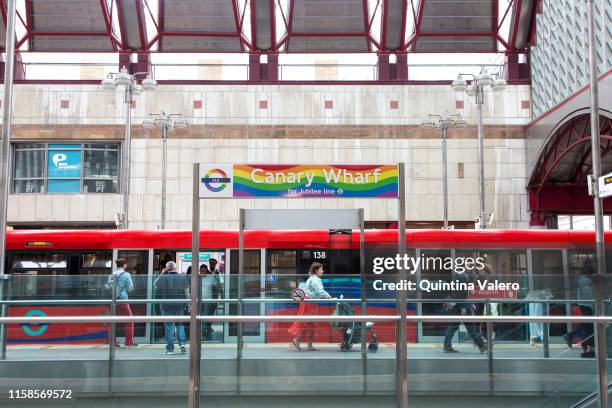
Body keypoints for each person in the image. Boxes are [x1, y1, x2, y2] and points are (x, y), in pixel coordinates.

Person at [288, 262, 333, 351]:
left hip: (310, 302)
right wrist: (330, 298)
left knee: (310, 323)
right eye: (321, 269)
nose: (322, 271)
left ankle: (309, 345)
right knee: (307, 322)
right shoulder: (314, 280)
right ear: (316, 270)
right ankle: (297, 339)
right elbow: (320, 292)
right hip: (309, 303)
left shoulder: (313, 279)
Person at [442, 267, 488, 353]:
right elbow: (460, 294)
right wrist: (464, 307)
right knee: (470, 327)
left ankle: (447, 345)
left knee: (454, 327)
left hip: (460, 306)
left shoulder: (459, 277)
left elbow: (461, 293)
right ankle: (481, 345)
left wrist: (471, 304)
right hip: (463, 307)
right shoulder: (462, 277)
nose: (474, 274)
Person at [155, 261, 190, 355]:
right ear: (175, 267)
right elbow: (187, 293)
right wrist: (188, 304)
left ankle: (170, 348)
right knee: (180, 325)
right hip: (179, 305)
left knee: (169, 327)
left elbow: (155, 284)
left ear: (167, 268)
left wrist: (162, 273)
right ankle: (182, 344)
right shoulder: (182, 277)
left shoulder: (163, 277)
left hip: (166, 306)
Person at [563, 262, 596, 358]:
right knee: (588, 324)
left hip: (584, 304)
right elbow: (588, 296)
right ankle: (574, 338)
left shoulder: (583, 279)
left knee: (587, 325)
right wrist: (593, 305)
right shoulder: (585, 280)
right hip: (587, 305)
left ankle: (585, 346)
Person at [106, 258, 137, 347]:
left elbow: (109, 287)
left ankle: (113, 342)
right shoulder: (126, 275)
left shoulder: (111, 275)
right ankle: (129, 341)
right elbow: (130, 288)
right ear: (124, 265)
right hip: (123, 300)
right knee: (129, 320)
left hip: (113, 301)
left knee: (112, 321)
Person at [200, 264, 216, 339]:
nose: (203, 271)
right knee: (199, 316)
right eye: (201, 270)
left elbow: (216, 287)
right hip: (199, 300)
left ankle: (203, 333)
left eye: (204, 270)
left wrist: (216, 298)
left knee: (204, 316)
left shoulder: (211, 277)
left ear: (206, 270)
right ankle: (203, 331)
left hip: (208, 300)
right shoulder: (197, 277)